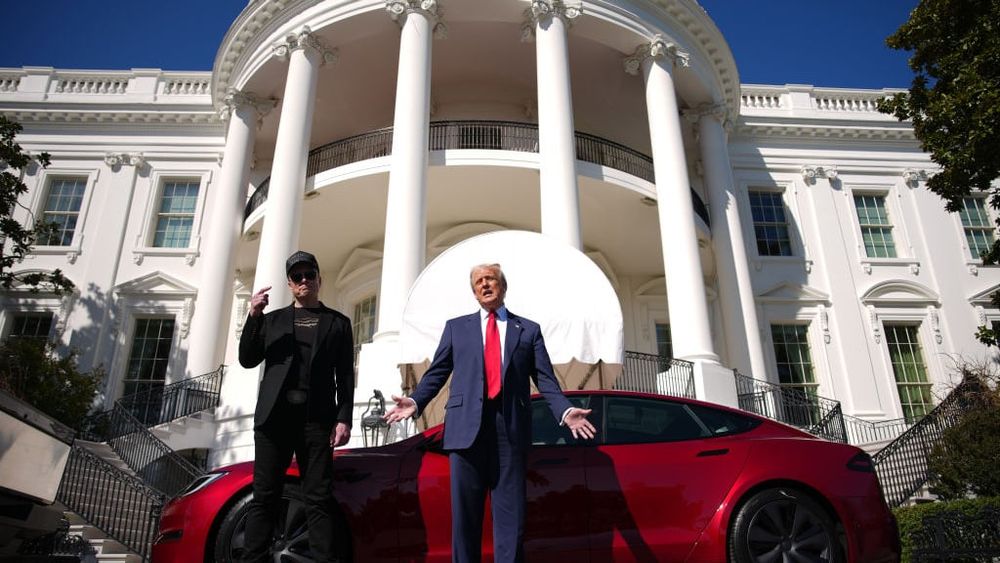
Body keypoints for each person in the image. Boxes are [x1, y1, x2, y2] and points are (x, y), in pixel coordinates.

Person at [384, 263, 596, 563]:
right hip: (465, 432)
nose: (485, 285)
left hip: (509, 431)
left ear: (503, 286)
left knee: (511, 523)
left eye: (491, 279)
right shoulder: (457, 327)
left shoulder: (528, 330)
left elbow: (545, 378)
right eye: (479, 282)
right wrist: (416, 401)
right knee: (465, 523)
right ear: (473, 291)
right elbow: (438, 372)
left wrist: (564, 411)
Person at [238, 250, 355, 563]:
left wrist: (344, 417)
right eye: (297, 276)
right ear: (290, 284)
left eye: (309, 275)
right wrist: (254, 317)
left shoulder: (338, 323)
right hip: (274, 421)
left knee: (318, 498)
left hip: (316, 421)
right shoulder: (272, 320)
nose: (304, 281)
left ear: (319, 278)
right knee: (264, 496)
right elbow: (247, 360)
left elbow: (344, 376)